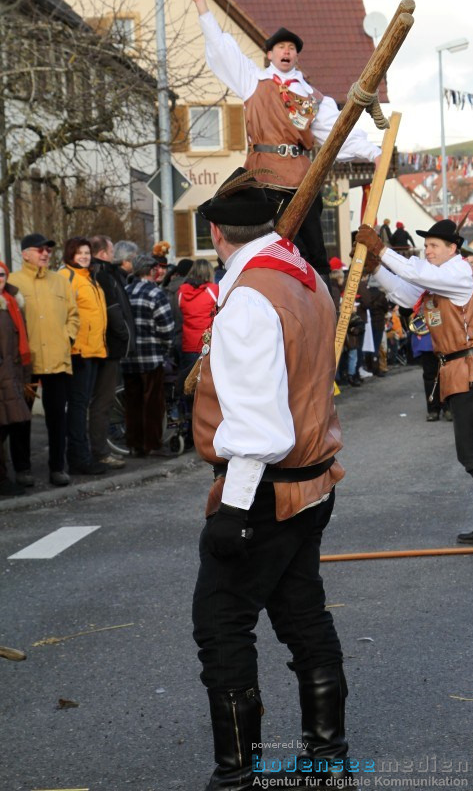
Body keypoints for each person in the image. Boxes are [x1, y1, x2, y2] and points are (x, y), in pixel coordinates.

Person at [189, 167, 348, 790]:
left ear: (215, 232)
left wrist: (232, 508)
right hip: (310, 482)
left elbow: (258, 424)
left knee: (222, 624)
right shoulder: (303, 276)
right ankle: (327, 759)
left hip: (266, 487)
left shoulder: (253, 294)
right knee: (303, 615)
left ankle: (238, 777)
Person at [183, 0, 381, 277]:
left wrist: (374, 154)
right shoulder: (253, 81)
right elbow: (223, 49)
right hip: (263, 175)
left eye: (291, 47)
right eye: (280, 47)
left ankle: (321, 300)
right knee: (265, 242)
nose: (286, 51)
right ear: (269, 54)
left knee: (312, 246)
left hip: (302, 177)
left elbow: (338, 132)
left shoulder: (312, 96)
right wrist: (201, 4)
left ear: (297, 56)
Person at [355, 218, 473, 546]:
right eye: (426, 245)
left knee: (471, 453)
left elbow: (416, 274)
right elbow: (405, 293)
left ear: (452, 249)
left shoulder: (458, 272)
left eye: (434, 246)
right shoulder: (442, 280)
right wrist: (376, 269)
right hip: (460, 368)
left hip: (470, 367)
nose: (427, 251)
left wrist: (380, 248)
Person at [9, 233, 79, 487]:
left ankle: (57, 468)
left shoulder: (59, 282)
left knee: (57, 418)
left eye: (48, 250)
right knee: (21, 419)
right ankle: (23, 469)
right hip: (26, 364)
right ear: (25, 253)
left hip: (57, 360)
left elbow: (73, 315)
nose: (45, 254)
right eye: (40, 250)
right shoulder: (14, 282)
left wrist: (67, 338)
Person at [59, 237, 109, 476]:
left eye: (87, 252)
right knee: (77, 407)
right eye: (79, 253)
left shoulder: (89, 278)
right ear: (70, 255)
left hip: (94, 350)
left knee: (82, 406)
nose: (84, 256)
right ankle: (79, 458)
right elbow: (65, 315)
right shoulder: (66, 277)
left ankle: (81, 455)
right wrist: (71, 346)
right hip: (78, 352)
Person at [88, 235, 136, 470]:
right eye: (111, 249)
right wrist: (125, 334)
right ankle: (100, 451)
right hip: (108, 346)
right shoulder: (104, 275)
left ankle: (98, 449)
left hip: (106, 345)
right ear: (105, 253)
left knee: (100, 401)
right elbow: (114, 310)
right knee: (102, 402)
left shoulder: (103, 273)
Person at [121, 254, 175, 458]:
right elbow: (166, 327)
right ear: (151, 270)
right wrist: (166, 347)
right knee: (153, 403)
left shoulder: (126, 291)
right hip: (151, 356)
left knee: (132, 403)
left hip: (129, 357)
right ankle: (153, 444)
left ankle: (135, 444)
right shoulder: (155, 293)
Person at [0, 259, 33, 495]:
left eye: (2, 275)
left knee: (14, 423)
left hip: (13, 374)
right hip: (3, 374)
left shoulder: (12, 302)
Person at [177, 259, 219, 389]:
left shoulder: (181, 292)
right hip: (208, 344)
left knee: (190, 385)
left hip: (187, 345)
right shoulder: (214, 290)